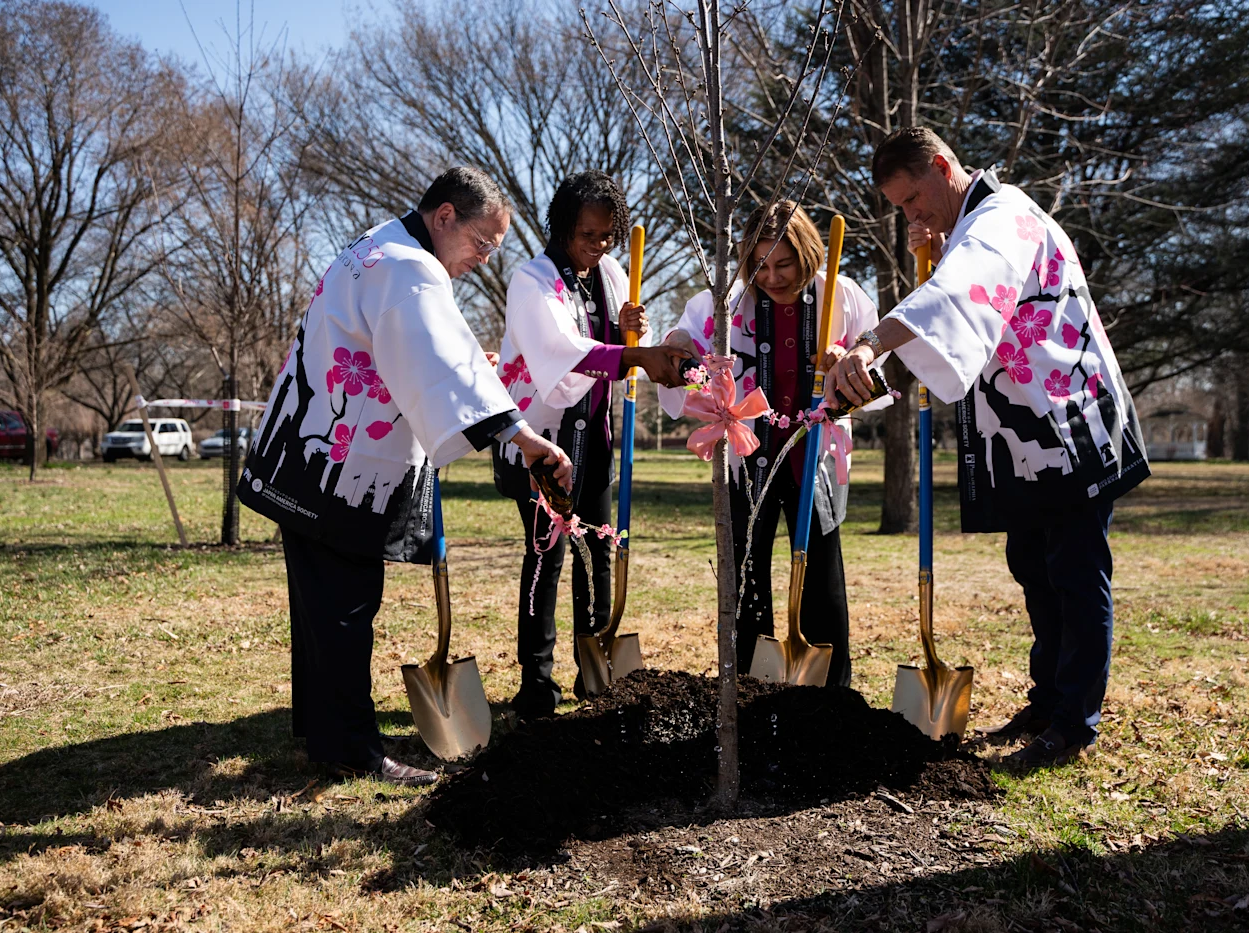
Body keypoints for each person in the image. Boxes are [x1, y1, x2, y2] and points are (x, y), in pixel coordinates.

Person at [823, 127, 1150, 768]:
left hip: (1070, 418)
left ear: (944, 166)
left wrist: (871, 345)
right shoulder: (970, 229)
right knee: (1034, 566)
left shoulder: (1004, 215)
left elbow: (959, 295)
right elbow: (961, 324)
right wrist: (941, 252)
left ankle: (1075, 724)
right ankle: (1048, 699)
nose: (912, 216)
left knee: (1076, 573)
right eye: (901, 209)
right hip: (1029, 432)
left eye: (916, 198)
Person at [238, 167, 573, 786]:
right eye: (481, 242)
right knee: (344, 606)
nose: (481, 258)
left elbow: (427, 349)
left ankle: (323, 730)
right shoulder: (408, 268)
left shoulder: (378, 245)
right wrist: (520, 434)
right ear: (444, 216)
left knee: (320, 606)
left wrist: (478, 374)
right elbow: (438, 357)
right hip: (338, 468)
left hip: (308, 456)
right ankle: (349, 748)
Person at [659, 200, 880, 687]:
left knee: (822, 571)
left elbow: (875, 360)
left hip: (813, 456)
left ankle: (831, 688)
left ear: (806, 255)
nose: (773, 277)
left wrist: (847, 362)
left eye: (784, 264)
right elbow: (685, 342)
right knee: (746, 571)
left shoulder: (837, 296)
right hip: (747, 454)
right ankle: (748, 683)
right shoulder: (729, 302)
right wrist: (681, 344)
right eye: (761, 266)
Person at [494, 170, 690, 717]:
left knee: (599, 557)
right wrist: (628, 352)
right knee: (545, 558)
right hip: (544, 444)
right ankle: (537, 683)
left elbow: (631, 350)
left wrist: (636, 334)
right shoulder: (531, 280)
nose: (598, 246)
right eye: (587, 235)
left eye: (607, 235)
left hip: (596, 442)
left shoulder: (610, 275)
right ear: (561, 229)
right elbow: (558, 350)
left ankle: (594, 672)